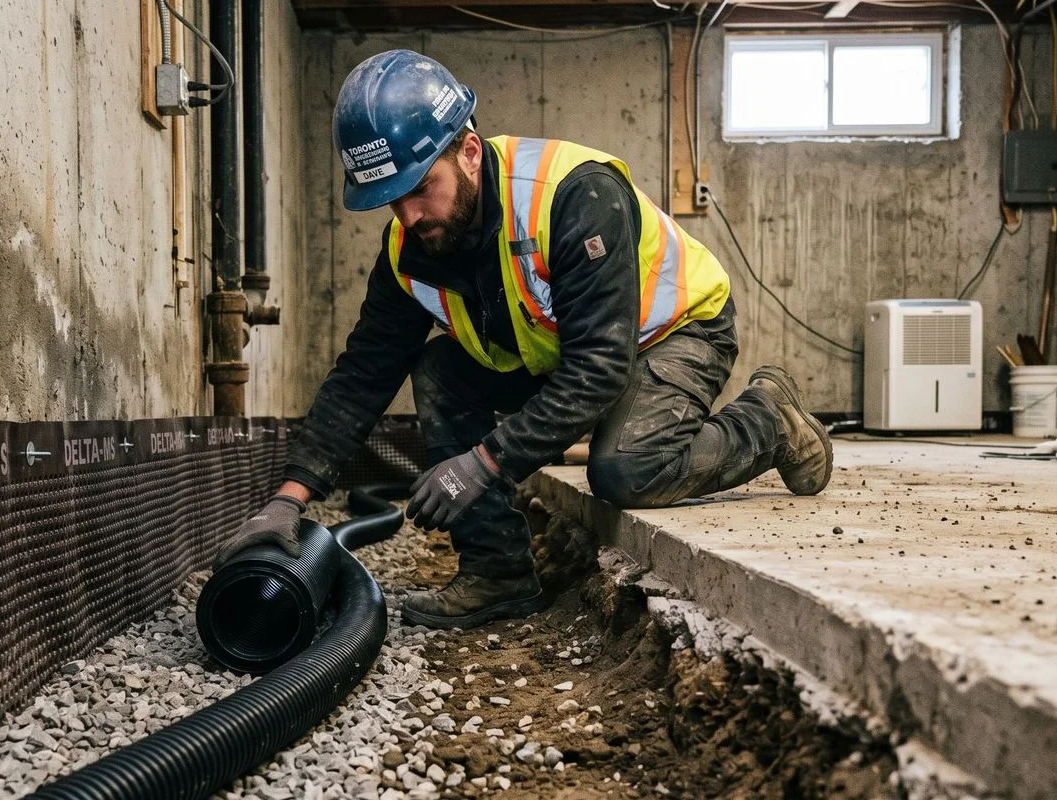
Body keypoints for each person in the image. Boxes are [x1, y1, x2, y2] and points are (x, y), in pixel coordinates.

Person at [213, 50, 832, 629]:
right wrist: (290, 498)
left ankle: (766, 419)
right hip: (568, 352)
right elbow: (363, 375)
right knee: (437, 366)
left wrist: (482, 464)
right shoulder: (410, 249)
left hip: (674, 328)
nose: (408, 218)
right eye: (389, 201)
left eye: (419, 189)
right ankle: (499, 575)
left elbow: (599, 366)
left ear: (471, 152)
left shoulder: (573, 196)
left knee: (627, 471)